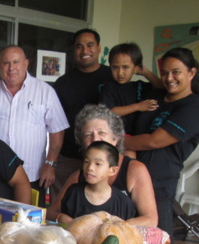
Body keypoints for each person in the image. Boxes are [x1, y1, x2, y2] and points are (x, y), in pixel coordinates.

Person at [124, 47, 199, 236]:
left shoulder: (195, 108)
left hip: (159, 184)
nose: (169, 78)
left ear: (192, 72)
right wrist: (145, 71)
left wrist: (115, 143)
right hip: (132, 179)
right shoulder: (157, 98)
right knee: (128, 238)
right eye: (164, 73)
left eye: (176, 72)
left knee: (157, 242)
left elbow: (154, 141)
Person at [0, 45, 68, 206]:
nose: (11, 68)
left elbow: (57, 131)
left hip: (33, 175)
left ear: (26, 64)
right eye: (6, 63)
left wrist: (50, 164)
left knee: (29, 224)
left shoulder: (45, 92)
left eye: (16, 62)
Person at [48, 104, 158, 227]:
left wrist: (116, 227)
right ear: (82, 142)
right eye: (88, 135)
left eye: (101, 133)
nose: (95, 139)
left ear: (115, 139)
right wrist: (62, 218)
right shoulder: (80, 175)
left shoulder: (134, 170)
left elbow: (151, 220)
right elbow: (52, 212)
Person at [52, 28, 113, 196]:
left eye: (90, 45)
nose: (85, 50)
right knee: (63, 204)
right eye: (79, 46)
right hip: (70, 157)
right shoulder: (63, 83)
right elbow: (55, 125)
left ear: (99, 48)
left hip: (104, 158)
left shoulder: (112, 77)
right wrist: (52, 161)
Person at [57, 141, 137, 224]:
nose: (90, 168)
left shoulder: (123, 204)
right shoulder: (73, 193)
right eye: (86, 162)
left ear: (112, 170)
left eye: (98, 164)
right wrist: (60, 218)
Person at [100, 42, 163, 135]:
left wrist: (145, 72)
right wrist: (137, 107)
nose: (120, 73)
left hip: (139, 137)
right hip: (116, 136)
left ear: (136, 68)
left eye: (125, 67)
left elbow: (161, 86)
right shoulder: (108, 88)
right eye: (115, 67)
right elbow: (109, 112)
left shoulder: (139, 86)